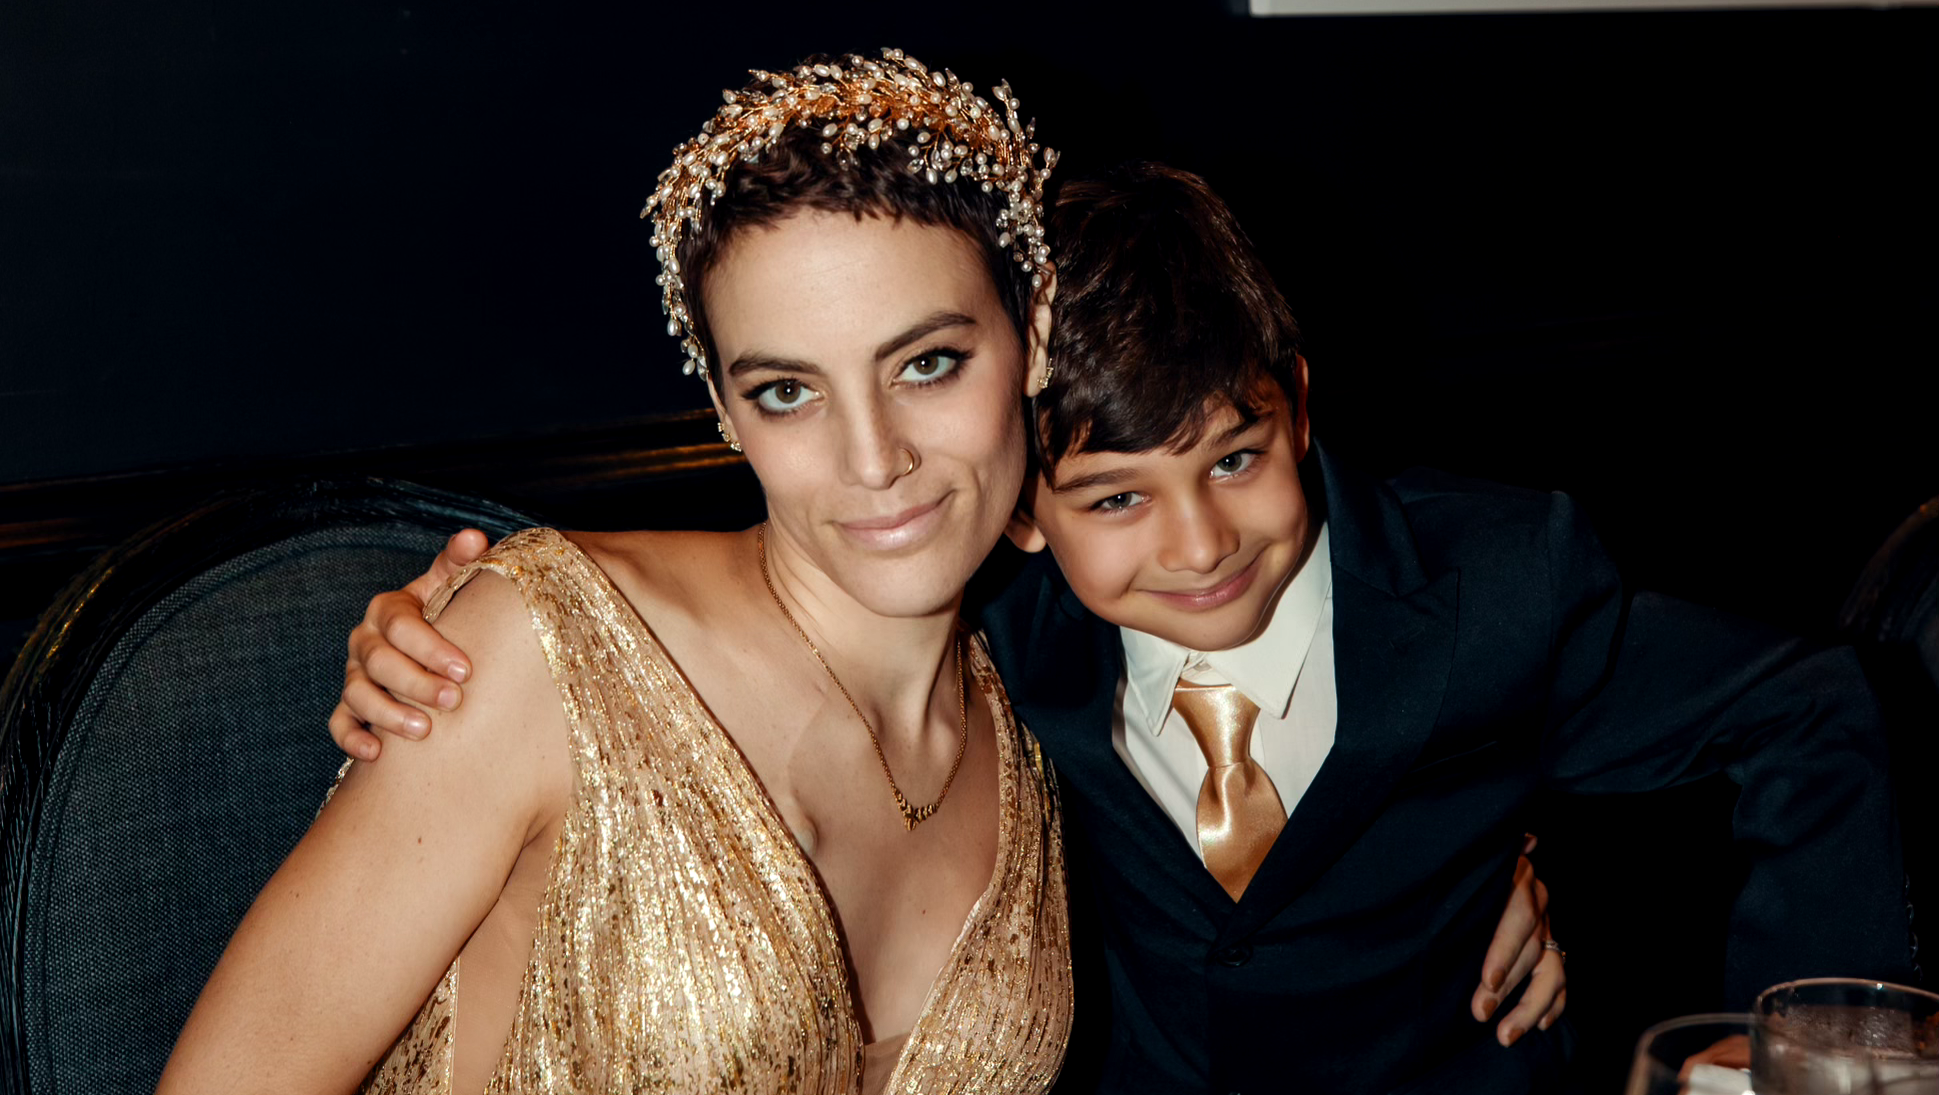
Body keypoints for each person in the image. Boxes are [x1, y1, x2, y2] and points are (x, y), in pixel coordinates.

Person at [337, 160, 1918, 1093]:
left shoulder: (1497, 583)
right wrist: (431, 624)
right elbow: (711, 649)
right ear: (1024, 505)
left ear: (1297, 408)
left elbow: (1803, 706)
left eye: (1234, 458)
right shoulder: (988, 637)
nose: (1198, 543)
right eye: (1112, 496)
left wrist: (1797, 1035)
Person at [160, 50, 1081, 1095]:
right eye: (787, 391)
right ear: (725, 410)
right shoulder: (544, 656)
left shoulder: (1051, 690)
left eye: (926, 364)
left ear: (1034, 331)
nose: (873, 460)